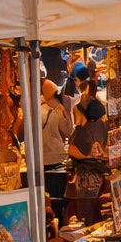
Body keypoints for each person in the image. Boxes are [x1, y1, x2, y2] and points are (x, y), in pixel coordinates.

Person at [39, 79, 72, 224]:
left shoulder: (37, 110)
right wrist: (68, 111)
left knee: (45, 201)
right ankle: (57, 226)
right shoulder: (60, 109)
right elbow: (68, 132)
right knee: (59, 200)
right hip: (58, 160)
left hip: (41, 161)